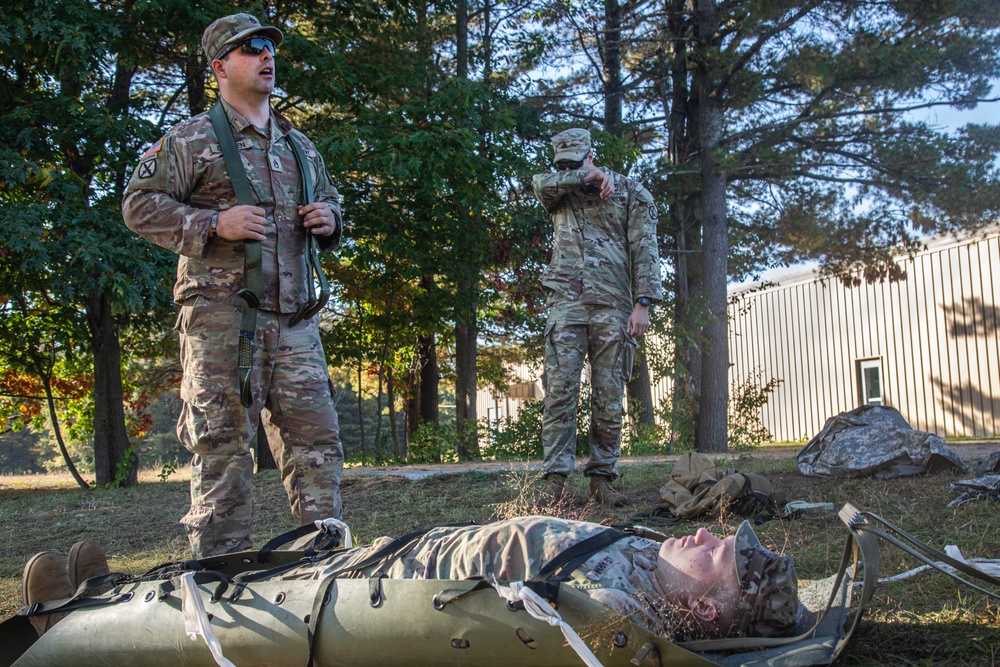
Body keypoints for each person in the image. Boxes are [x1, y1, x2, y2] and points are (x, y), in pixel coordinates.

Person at [121, 13, 345, 558]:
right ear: (220, 66)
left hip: (294, 320)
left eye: (269, 46)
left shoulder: (299, 145)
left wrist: (331, 220)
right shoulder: (191, 139)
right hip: (221, 321)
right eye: (250, 49)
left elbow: (335, 203)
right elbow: (137, 206)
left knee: (317, 444)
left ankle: (323, 563)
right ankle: (223, 574)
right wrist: (212, 224)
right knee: (222, 446)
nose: (266, 56)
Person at [20, 517, 799, 643]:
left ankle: (67, 623)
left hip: (396, 585)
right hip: (405, 550)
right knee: (251, 565)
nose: (702, 532)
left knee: (238, 603)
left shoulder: (621, 614)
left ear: (703, 603)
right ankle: (102, 590)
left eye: (716, 552)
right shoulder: (646, 558)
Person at [533, 129, 664, 507]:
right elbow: (540, 183)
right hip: (566, 305)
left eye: (577, 163)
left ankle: (602, 478)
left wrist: (643, 303)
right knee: (559, 393)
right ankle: (555, 481)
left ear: (591, 155)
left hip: (613, 306)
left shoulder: (632, 192)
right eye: (564, 165)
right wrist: (582, 176)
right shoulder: (558, 191)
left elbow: (645, 249)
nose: (569, 170)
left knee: (607, 396)